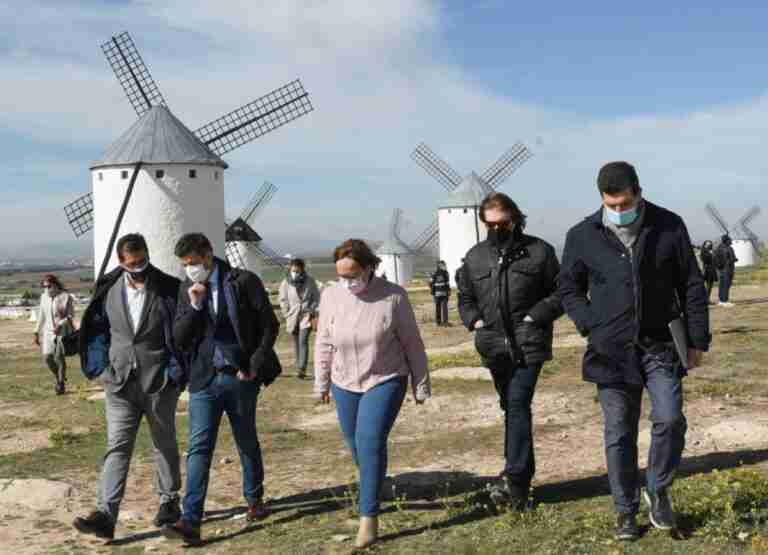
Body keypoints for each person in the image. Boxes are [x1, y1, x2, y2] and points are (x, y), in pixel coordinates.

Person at [559, 162, 710, 541]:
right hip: (610, 349)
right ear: (602, 200)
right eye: (612, 204)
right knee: (619, 432)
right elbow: (568, 288)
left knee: (671, 418)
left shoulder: (669, 226)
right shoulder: (582, 235)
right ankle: (625, 510)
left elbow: (691, 284)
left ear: (639, 193)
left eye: (625, 202)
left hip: (659, 344)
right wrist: (588, 321)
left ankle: (658, 489)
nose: (619, 210)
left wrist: (696, 340)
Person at [164, 233, 281, 546]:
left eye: (194, 263)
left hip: (240, 376)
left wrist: (255, 364)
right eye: (185, 265)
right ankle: (190, 520)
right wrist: (194, 304)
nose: (191, 269)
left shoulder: (243, 282)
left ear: (208, 254)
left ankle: (254, 499)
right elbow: (179, 336)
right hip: (204, 379)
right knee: (199, 447)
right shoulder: (185, 289)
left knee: (246, 440)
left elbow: (269, 325)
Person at [315, 239, 430, 549]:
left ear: (368, 268)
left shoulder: (394, 297)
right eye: (341, 275)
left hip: (385, 377)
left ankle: (369, 518)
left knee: (369, 440)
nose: (347, 281)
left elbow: (412, 343)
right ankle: (376, 483)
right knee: (355, 444)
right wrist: (322, 381)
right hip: (344, 382)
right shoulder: (330, 296)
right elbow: (324, 341)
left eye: (352, 274)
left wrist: (421, 383)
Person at [73, 234, 185, 540]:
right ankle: (106, 515)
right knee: (117, 447)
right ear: (121, 262)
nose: (138, 267)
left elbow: (181, 333)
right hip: (119, 382)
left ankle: (169, 503)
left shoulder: (168, 287)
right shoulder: (108, 288)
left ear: (148, 255)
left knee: (164, 443)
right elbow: (96, 331)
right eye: (132, 263)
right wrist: (100, 367)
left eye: (142, 261)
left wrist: (174, 372)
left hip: (158, 382)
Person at [457, 193, 562, 509]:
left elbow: (561, 292)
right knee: (511, 407)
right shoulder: (474, 257)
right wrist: (474, 321)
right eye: (491, 224)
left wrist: (536, 317)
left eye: (503, 223)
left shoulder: (540, 252)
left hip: (528, 342)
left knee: (517, 403)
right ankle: (518, 472)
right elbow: (465, 297)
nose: (498, 229)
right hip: (492, 345)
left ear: (515, 218)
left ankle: (515, 482)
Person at [278, 258, 320, 379]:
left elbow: (316, 297)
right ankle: (298, 365)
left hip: (306, 316)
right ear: (290, 269)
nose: (295, 272)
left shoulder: (310, 281)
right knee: (296, 342)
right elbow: (282, 299)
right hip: (292, 316)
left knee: (303, 341)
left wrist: (312, 309)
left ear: (302, 269)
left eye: (298, 270)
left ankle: (302, 368)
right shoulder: (285, 282)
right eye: (293, 270)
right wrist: (286, 312)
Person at [34, 274, 75, 395]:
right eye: (44, 286)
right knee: (47, 358)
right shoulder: (43, 297)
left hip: (62, 332)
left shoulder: (65, 297)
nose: (46, 289)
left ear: (55, 285)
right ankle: (59, 376)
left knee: (58, 357)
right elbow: (41, 315)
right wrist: (36, 332)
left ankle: (61, 384)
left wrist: (60, 324)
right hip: (48, 332)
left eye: (49, 286)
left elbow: (70, 315)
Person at [715, 234, 737, 307]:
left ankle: (721, 300)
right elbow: (728, 259)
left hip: (723, 269)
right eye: (730, 240)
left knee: (722, 285)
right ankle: (725, 300)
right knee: (726, 285)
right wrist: (733, 260)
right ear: (726, 241)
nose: (731, 241)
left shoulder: (719, 248)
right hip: (726, 269)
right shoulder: (727, 248)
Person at [429, 260, 451, 326]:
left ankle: (438, 322)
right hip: (444, 293)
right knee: (444, 308)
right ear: (440, 265)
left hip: (436, 294)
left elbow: (430, 283)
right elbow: (447, 283)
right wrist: (448, 291)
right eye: (444, 265)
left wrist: (433, 289)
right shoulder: (446, 273)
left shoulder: (434, 273)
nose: (445, 266)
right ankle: (445, 322)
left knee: (437, 308)